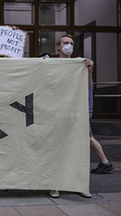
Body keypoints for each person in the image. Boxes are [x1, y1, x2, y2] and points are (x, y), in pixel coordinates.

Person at [48, 34, 113, 199]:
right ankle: (54, 185)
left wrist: (89, 70)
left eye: (71, 43)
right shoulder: (51, 64)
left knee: (78, 150)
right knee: (57, 148)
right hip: (57, 113)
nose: (68, 45)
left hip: (76, 113)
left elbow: (86, 87)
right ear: (58, 46)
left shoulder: (80, 63)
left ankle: (80, 184)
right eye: (65, 43)